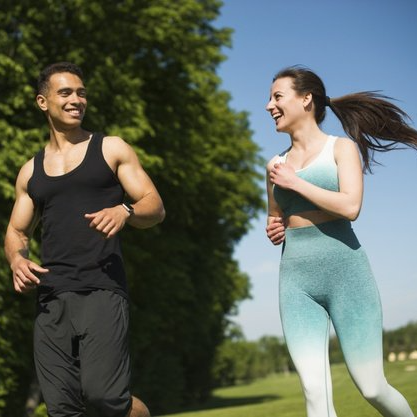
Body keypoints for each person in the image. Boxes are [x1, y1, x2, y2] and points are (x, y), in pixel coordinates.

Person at [4, 62, 165, 417]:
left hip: (102, 287)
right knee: (61, 407)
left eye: (81, 93)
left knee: (103, 396)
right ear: (43, 102)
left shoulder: (110, 148)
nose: (77, 99)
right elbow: (17, 231)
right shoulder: (31, 171)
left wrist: (125, 211)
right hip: (51, 294)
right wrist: (17, 260)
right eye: (66, 92)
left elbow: (154, 207)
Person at [265, 66, 417, 417]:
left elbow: (351, 206)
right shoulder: (274, 165)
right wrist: (275, 227)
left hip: (346, 274)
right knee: (314, 391)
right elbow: (275, 215)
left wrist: (297, 182)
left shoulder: (341, 148)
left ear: (306, 99)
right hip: (296, 281)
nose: (269, 105)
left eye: (277, 97)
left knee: (372, 386)